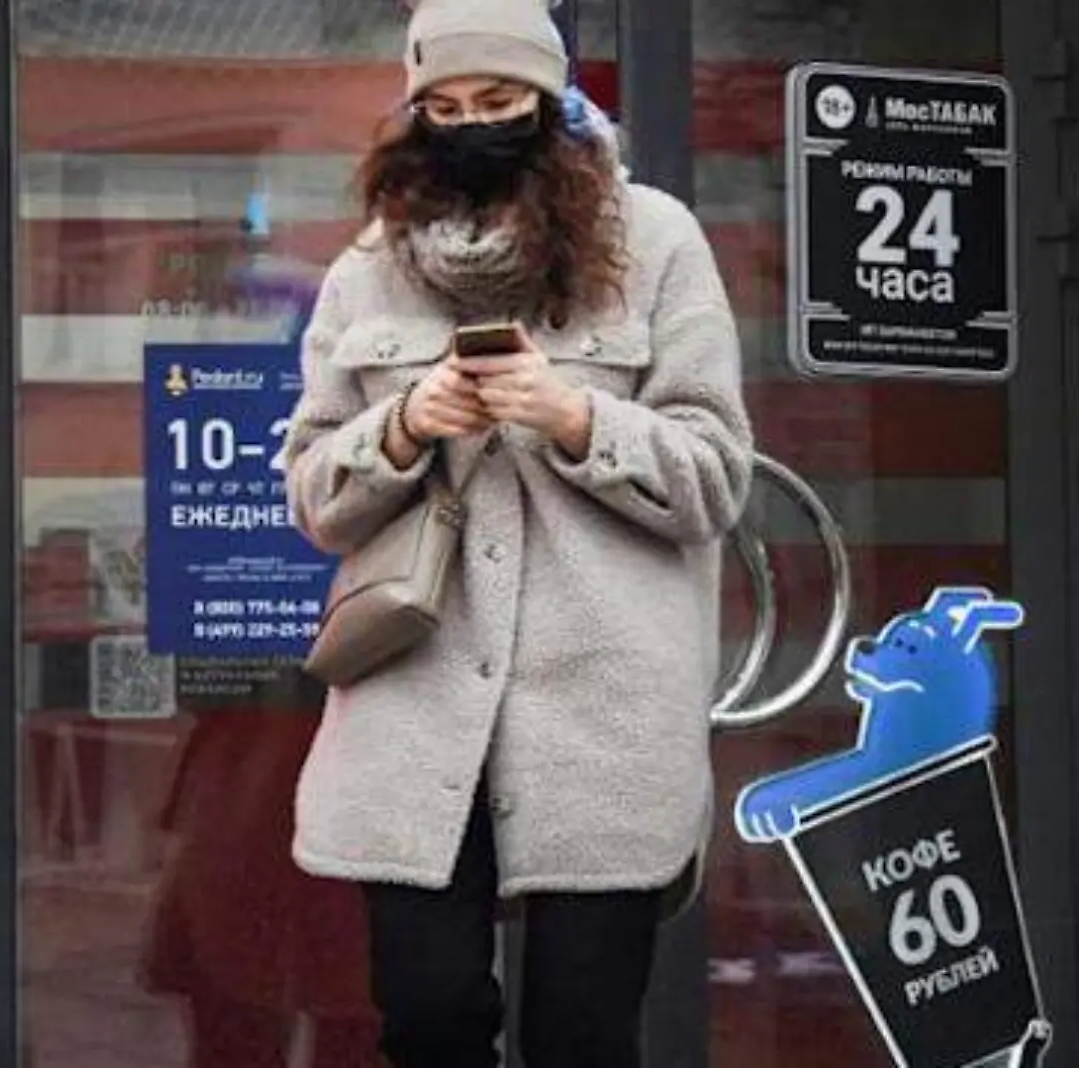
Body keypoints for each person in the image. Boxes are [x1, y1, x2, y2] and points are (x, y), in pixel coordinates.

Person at [276, 1, 754, 1066]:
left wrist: (573, 415)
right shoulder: (368, 268)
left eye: (498, 103)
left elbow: (716, 476)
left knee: (585, 1033)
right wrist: (403, 427)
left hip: (602, 706)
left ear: (551, 103)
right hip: (418, 700)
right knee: (430, 1015)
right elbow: (312, 496)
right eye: (443, 107)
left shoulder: (659, 242)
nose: (471, 126)